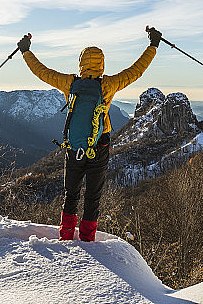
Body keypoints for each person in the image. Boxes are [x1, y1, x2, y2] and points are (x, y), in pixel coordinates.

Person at [16, 27, 162, 242]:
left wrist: (26, 51)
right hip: (100, 146)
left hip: (74, 147)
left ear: (81, 64)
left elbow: (42, 71)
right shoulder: (109, 84)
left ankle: (65, 236)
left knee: (71, 194)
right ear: (102, 64)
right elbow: (136, 70)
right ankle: (87, 239)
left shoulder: (69, 83)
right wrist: (153, 45)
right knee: (93, 196)